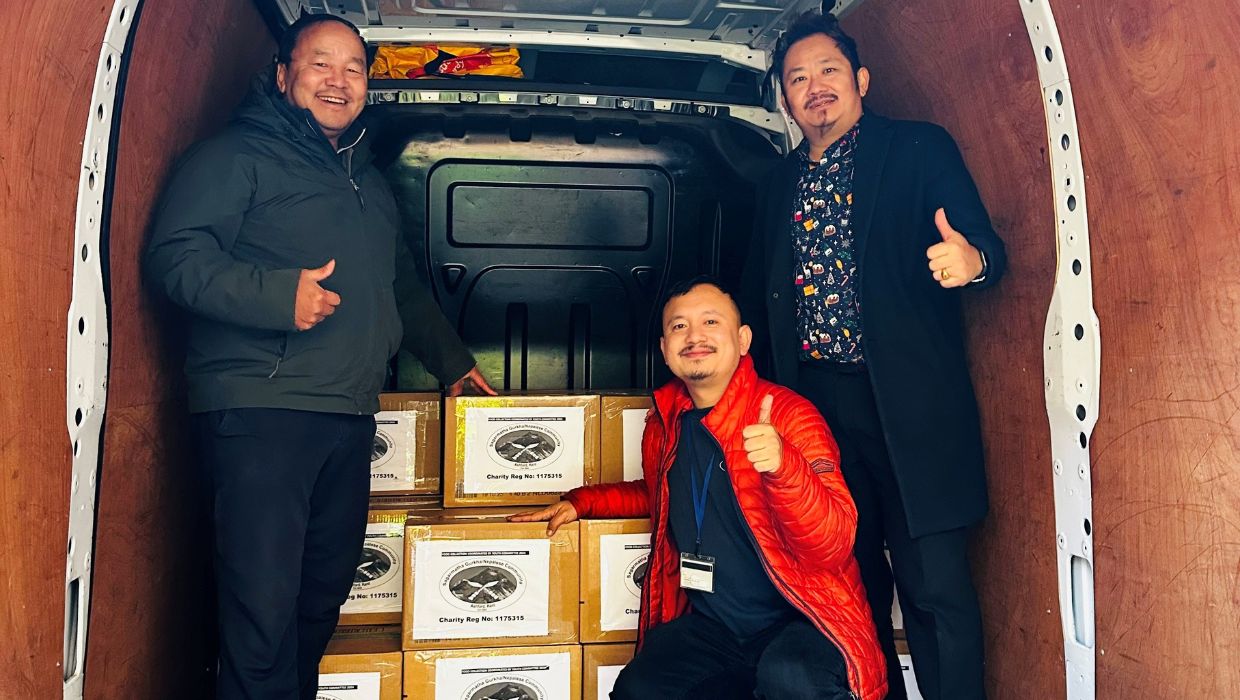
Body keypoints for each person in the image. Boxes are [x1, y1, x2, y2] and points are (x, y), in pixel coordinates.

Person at [144, 14, 493, 699]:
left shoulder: (363, 178)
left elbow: (398, 286)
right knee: (262, 611)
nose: (339, 81)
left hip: (345, 412)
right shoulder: (234, 157)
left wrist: (451, 359)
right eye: (320, 64)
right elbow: (173, 258)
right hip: (261, 411)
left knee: (320, 598)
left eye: (354, 69)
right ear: (282, 76)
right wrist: (279, 297)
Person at [741, 11, 1008, 700]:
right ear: (785, 99)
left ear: (860, 79)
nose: (814, 87)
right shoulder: (773, 185)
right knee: (847, 588)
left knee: (933, 589)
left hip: (909, 408)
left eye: (828, 70)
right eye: (796, 78)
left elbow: (987, 248)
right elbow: (757, 303)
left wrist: (969, 260)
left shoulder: (918, 150)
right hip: (816, 413)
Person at [512, 276, 886, 700]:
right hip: (720, 628)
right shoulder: (666, 421)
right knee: (640, 688)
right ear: (664, 349)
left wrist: (785, 468)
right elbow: (660, 492)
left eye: (710, 321)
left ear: (743, 339)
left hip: (806, 618)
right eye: (679, 326)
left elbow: (833, 544)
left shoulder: (787, 414)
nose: (694, 337)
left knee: (791, 678)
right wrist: (582, 503)